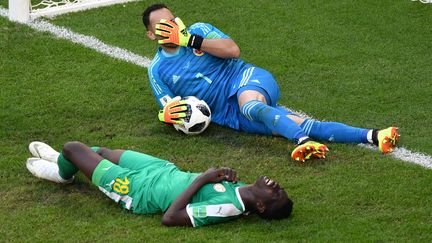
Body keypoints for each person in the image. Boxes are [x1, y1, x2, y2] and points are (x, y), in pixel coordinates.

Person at [142, 4, 400, 162]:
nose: (170, 26)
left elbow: (233, 51)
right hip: (227, 115)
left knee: (250, 105)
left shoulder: (199, 30)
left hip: (244, 79)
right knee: (300, 123)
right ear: (152, 34)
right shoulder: (157, 69)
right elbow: (169, 107)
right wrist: (167, 116)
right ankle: (376, 135)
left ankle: (301, 141)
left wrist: (190, 40)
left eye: (172, 20)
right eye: (163, 25)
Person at [25, 141, 293, 227]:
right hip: (159, 168)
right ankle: (64, 162)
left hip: (137, 189)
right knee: (99, 151)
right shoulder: (243, 189)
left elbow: (171, 217)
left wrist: (204, 177)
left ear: (260, 204)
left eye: (276, 194)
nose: (277, 186)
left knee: (73, 148)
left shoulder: (227, 208)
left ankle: (63, 174)